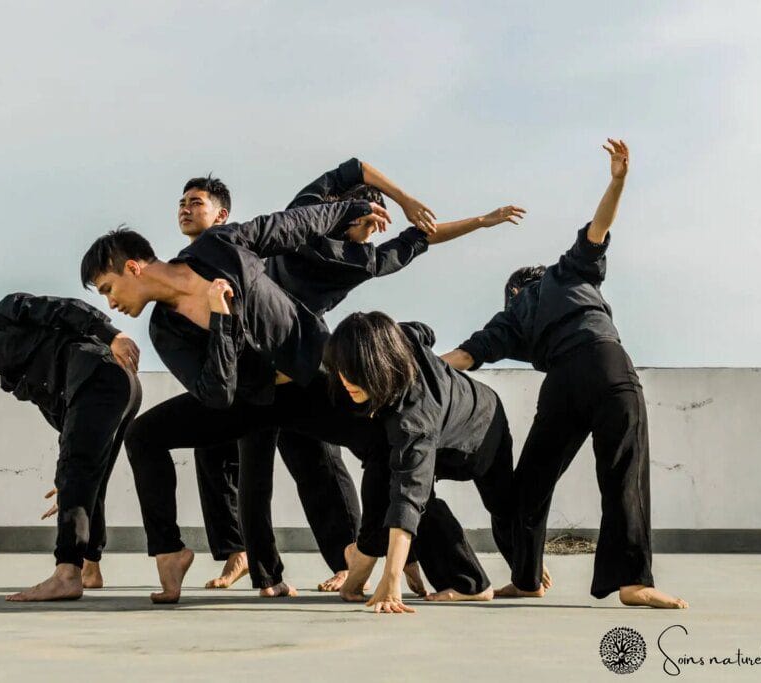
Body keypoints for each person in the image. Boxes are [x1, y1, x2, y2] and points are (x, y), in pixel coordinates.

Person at [179, 162, 527, 594]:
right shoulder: (334, 237)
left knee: (309, 464)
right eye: (372, 225)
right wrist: (407, 201)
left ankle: (333, 563)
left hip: (282, 365)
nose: (374, 234)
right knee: (310, 461)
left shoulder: (334, 234)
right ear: (359, 214)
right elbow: (370, 186)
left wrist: (472, 218)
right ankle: (317, 564)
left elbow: (410, 225)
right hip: (280, 364)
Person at [83, 199, 389, 602]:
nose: (111, 304)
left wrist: (351, 208)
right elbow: (216, 393)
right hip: (245, 401)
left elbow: (291, 225)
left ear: (133, 268)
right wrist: (222, 322)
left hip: (306, 381)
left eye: (108, 288)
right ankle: (170, 553)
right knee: (143, 435)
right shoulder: (165, 330)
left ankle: (379, 552)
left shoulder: (219, 247)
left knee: (386, 442)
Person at [441, 139, 688, 609]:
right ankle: (633, 582)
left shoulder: (510, 318)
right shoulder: (565, 274)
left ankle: (528, 577)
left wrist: (398, 363)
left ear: (513, 290)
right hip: (606, 364)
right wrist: (617, 180)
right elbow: (599, 229)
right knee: (622, 474)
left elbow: (463, 357)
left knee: (530, 484)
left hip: (562, 386)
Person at [0, 294, 142, 601]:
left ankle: (67, 574)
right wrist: (66, 474)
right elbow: (63, 416)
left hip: (100, 374)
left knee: (77, 473)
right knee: (88, 479)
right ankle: (89, 568)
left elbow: (63, 308)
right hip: (116, 386)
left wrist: (114, 336)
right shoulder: (10, 367)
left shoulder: (1, 317)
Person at [323, 312, 518, 614]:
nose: (345, 380)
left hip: (477, 435)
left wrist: (390, 581)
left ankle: (472, 585)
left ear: (377, 365)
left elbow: (407, 496)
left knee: (424, 497)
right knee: (381, 470)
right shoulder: (397, 341)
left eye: (355, 372)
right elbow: (422, 331)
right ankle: (361, 569)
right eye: (341, 370)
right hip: (455, 415)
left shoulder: (413, 418)